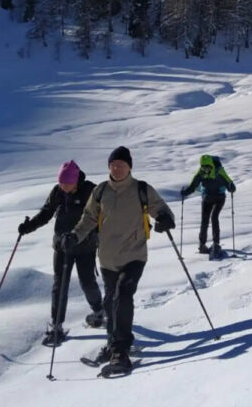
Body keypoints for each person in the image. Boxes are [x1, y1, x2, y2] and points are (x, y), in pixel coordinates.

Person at [65, 145, 173, 376]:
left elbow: (160, 208)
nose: (116, 168)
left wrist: (164, 218)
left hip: (134, 254)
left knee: (123, 295)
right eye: (113, 165)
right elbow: (88, 218)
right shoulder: (101, 191)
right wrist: (75, 235)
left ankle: (120, 352)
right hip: (107, 257)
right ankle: (114, 343)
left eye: (121, 165)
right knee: (109, 303)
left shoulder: (141, 189)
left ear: (129, 167)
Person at [19, 160, 106, 346]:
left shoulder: (90, 191)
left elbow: (100, 216)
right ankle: (56, 325)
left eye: (67, 184)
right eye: (61, 183)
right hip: (61, 247)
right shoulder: (57, 192)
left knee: (87, 281)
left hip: (85, 246)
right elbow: (46, 213)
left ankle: (99, 311)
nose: (63, 187)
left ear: (75, 181)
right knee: (60, 284)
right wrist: (28, 227)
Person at [179, 153, 237, 258]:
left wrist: (231, 187)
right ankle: (202, 245)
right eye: (203, 167)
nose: (205, 170)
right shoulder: (200, 173)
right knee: (204, 220)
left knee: (214, 217)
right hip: (207, 198)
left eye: (207, 167)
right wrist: (186, 192)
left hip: (219, 198)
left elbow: (228, 182)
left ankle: (216, 244)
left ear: (211, 165)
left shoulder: (219, 171)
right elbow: (193, 186)